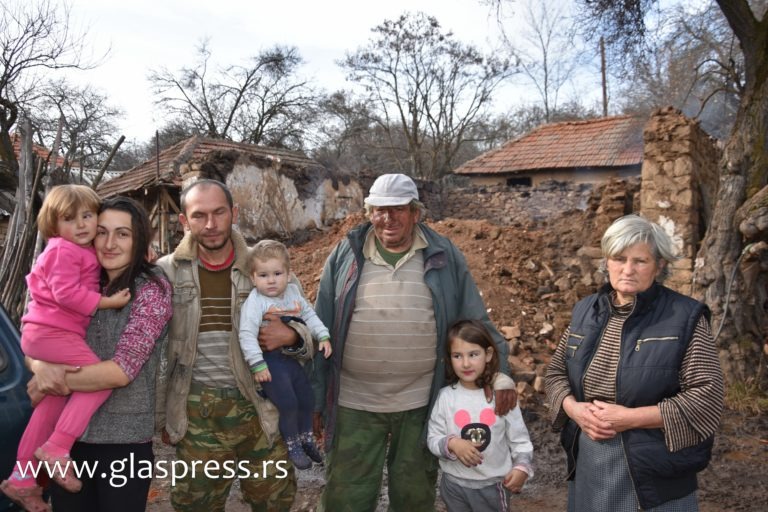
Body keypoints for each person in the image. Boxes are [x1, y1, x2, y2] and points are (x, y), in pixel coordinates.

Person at [311, 173, 515, 511]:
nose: (387, 219)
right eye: (379, 210)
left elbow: (474, 318)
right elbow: (320, 326)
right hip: (354, 402)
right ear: (369, 212)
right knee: (345, 495)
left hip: (421, 402)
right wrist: (316, 397)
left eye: (398, 210)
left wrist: (501, 373)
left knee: (414, 494)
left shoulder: (443, 253)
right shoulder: (347, 253)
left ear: (415, 213)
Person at [545, 214, 724, 511]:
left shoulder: (685, 317)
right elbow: (555, 372)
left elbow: (706, 397)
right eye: (619, 258)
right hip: (590, 456)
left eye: (640, 261)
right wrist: (573, 409)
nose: (627, 270)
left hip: (655, 465)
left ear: (660, 266)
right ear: (607, 261)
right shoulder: (585, 311)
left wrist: (629, 418)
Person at [156, 179, 314, 512]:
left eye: (219, 213)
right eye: (199, 216)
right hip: (198, 415)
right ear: (184, 221)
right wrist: (162, 416)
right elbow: (154, 352)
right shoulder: (166, 273)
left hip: (262, 410)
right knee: (194, 505)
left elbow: (310, 332)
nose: (211, 225)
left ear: (234, 213)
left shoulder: (266, 268)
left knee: (274, 503)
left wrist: (293, 338)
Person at [16, 196, 173, 512]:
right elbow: (37, 333)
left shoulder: (151, 289)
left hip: (123, 444)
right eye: (102, 232)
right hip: (68, 447)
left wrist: (55, 377)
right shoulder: (77, 280)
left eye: (123, 234)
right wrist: (38, 364)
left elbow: (121, 371)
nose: (110, 243)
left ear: (139, 238)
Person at [1, 186, 132, 510]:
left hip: (48, 334)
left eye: (88, 215)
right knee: (98, 381)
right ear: (53, 224)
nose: (82, 224)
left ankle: (22, 478)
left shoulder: (77, 250)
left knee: (50, 406)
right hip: (50, 333)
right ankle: (58, 447)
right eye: (70, 219)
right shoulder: (62, 250)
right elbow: (65, 294)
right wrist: (106, 302)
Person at [239, 239, 331, 470]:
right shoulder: (255, 302)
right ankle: (293, 444)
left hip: (290, 358)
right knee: (288, 402)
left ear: (288, 275)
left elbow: (310, 316)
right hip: (269, 361)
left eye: (277, 273)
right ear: (253, 278)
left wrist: (324, 336)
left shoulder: (293, 294)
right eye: (263, 275)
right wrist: (257, 364)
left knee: (306, 397)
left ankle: (307, 439)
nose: (271, 280)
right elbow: (246, 334)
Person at [428, 319, 533, 512]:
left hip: (492, 487)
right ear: (449, 358)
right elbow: (433, 438)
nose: (466, 363)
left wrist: (522, 467)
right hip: (453, 487)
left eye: (473, 354)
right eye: (457, 356)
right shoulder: (445, 397)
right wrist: (452, 444)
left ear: (488, 354)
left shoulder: (501, 397)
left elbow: (520, 440)